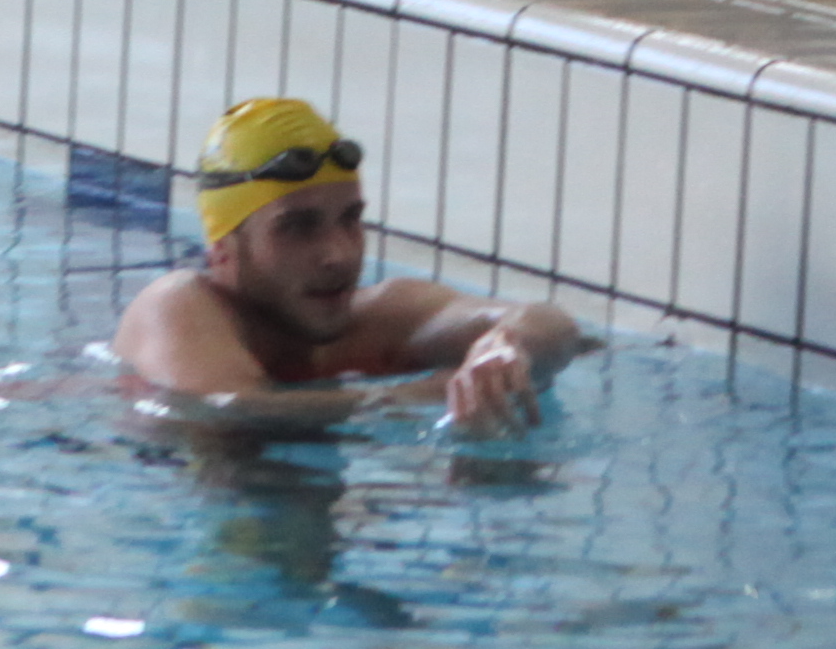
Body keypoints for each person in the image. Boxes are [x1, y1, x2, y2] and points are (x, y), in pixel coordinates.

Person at [110, 95, 589, 426]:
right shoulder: (177, 305)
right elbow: (233, 410)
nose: (339, 254)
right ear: (223, 251)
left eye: (350, 219)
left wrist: (507, 348)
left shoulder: (383, 314)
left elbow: (554, 325)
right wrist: (420, 395)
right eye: (298, 227)